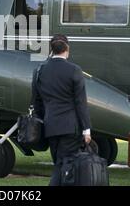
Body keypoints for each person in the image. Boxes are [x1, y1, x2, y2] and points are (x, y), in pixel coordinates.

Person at [32, 34, 92, 186]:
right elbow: (80, 103)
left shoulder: (40, 70)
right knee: (64, 167)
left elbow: (36, 101)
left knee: (59, 165)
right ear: (67, 48)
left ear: (52, 49)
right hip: (70, 127)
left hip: (50, 126)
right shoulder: (74, 70)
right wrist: (86, 130)